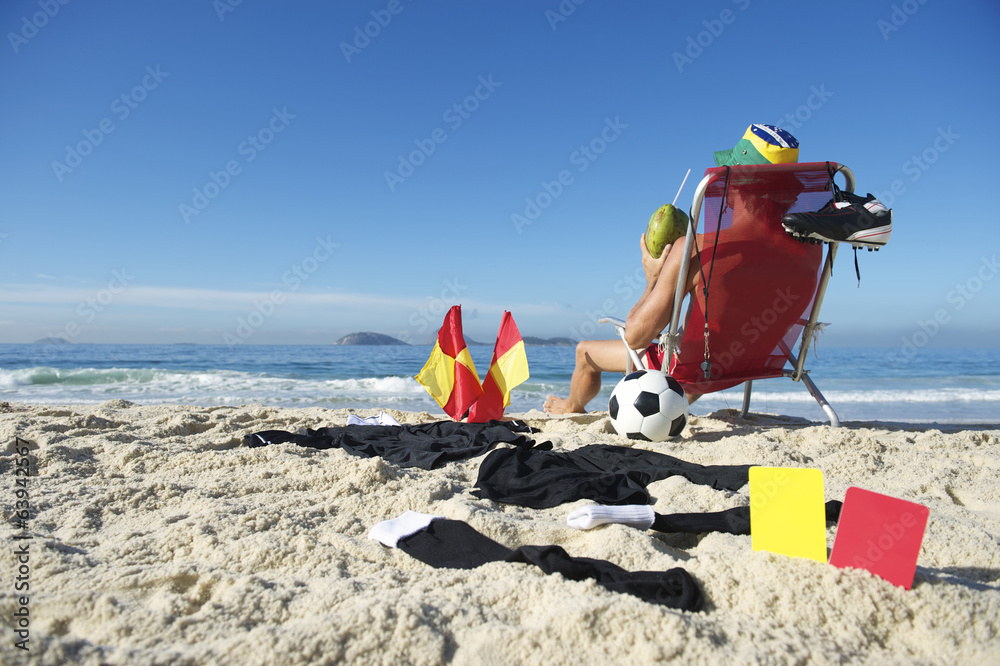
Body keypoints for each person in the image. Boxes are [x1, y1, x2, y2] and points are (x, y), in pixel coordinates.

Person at [544, 124, 800, 415]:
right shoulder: (803, 252)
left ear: (734, 185)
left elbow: (636, 337)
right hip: (754, 362)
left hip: (695, 370)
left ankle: (571, 407)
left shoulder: (696, 248)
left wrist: (653, 279)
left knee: (584, 352)